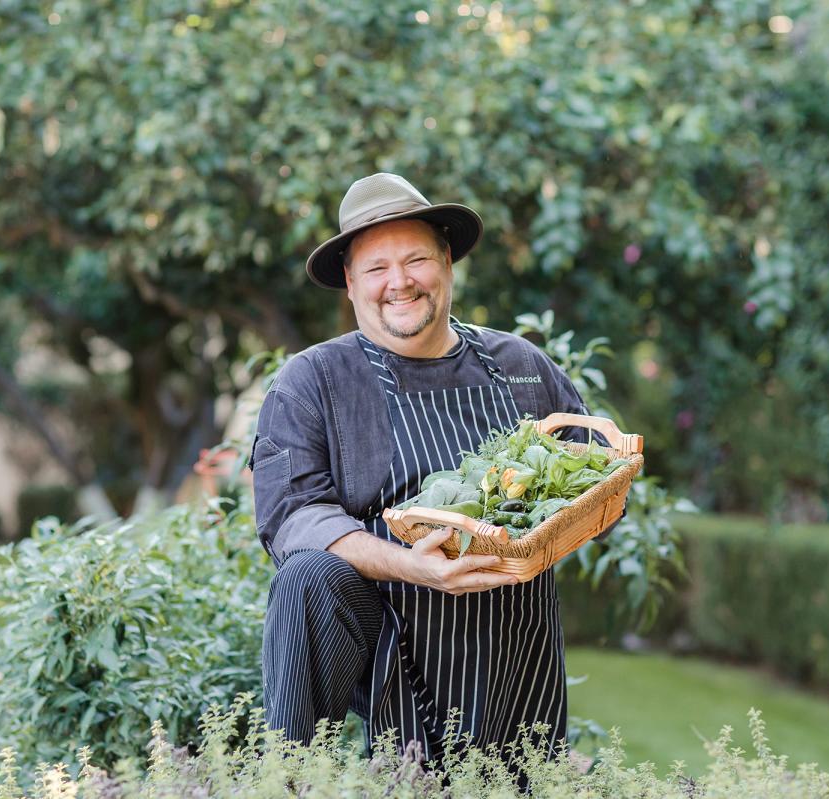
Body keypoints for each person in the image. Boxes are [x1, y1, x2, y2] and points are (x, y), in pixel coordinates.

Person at [251, 173, 609, 762]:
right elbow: (294, 518)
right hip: (378, 637)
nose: (400, 283)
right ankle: (292, 776)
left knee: (509, 777)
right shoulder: (312, 383)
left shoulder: (521, 366)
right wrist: (412, 567)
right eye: (377, 268)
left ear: (447, 262)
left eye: (416, 259)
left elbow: (592, 487)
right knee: (307, 579)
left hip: (507, 633)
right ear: (349, 282)